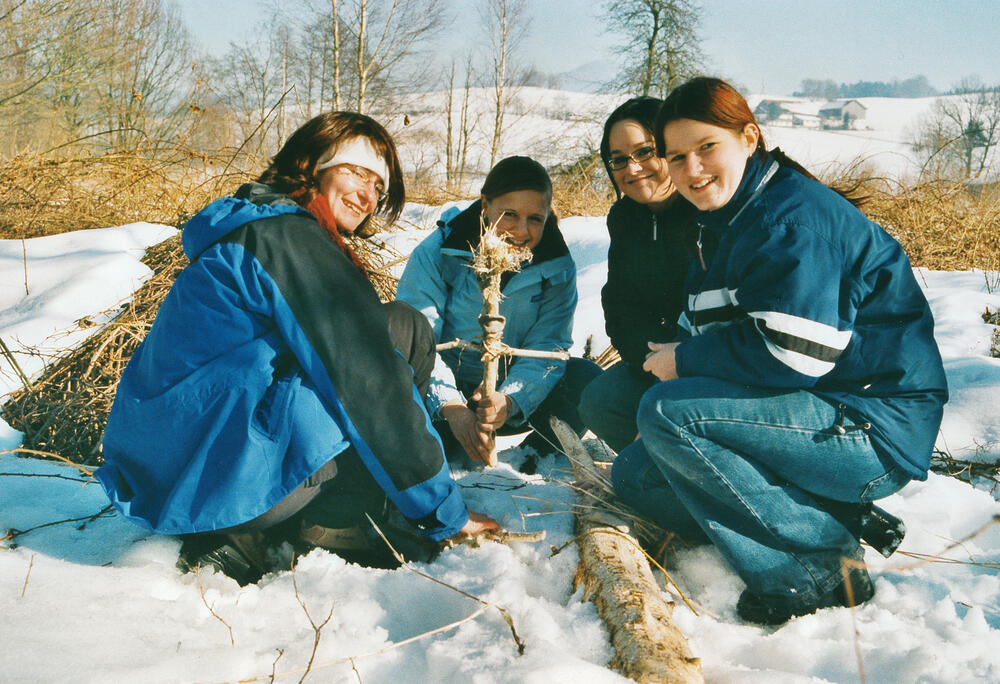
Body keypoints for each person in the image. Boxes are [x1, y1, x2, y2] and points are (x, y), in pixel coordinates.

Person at [97, 112, 498, 582]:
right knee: (399, 332)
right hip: (210, 484)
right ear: (313, 165)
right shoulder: (291, 240)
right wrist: (443, 514)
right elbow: (371, 385)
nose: (368, 196)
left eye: (379, 187)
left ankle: (252, 527)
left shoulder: (252, 227)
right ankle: (337, 523)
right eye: (356, 173)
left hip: (167, 476)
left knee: (380, 331)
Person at [611, 77, 948, 624]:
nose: (691, 170)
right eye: (677, 157)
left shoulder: (790, 219)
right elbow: (715, 318)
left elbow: (796, 354)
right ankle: (828, 514)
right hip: (817, 412)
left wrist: (685, 364)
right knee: (636, 474)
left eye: (706, 148)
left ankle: (820, 567)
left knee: (669, 415)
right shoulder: (725, 219)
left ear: (749, 137)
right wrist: (682, 352)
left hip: (869, 426)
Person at [396, 156, 600, 468]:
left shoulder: (556, 267)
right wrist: (451, 406)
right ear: (485, 205)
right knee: (404, 401)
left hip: (511, 397)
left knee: (586, 379)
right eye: (509, 215)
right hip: (443, 395)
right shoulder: (440, 252)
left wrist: (510, 399)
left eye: (535, 219)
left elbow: (549, 346)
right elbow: (419, 338)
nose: (521, 230)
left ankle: (532, 457)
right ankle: (446, 444)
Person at [578, 96, 694, 452]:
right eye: (619, 159)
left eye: (646, 152)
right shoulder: (625, 219)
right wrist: (650, 361)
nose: (633, 168)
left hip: (708, 362)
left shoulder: (703, 209)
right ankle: (654, 466)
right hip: (653, 360)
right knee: (599, 401)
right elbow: (620, 301)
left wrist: (683, 361)